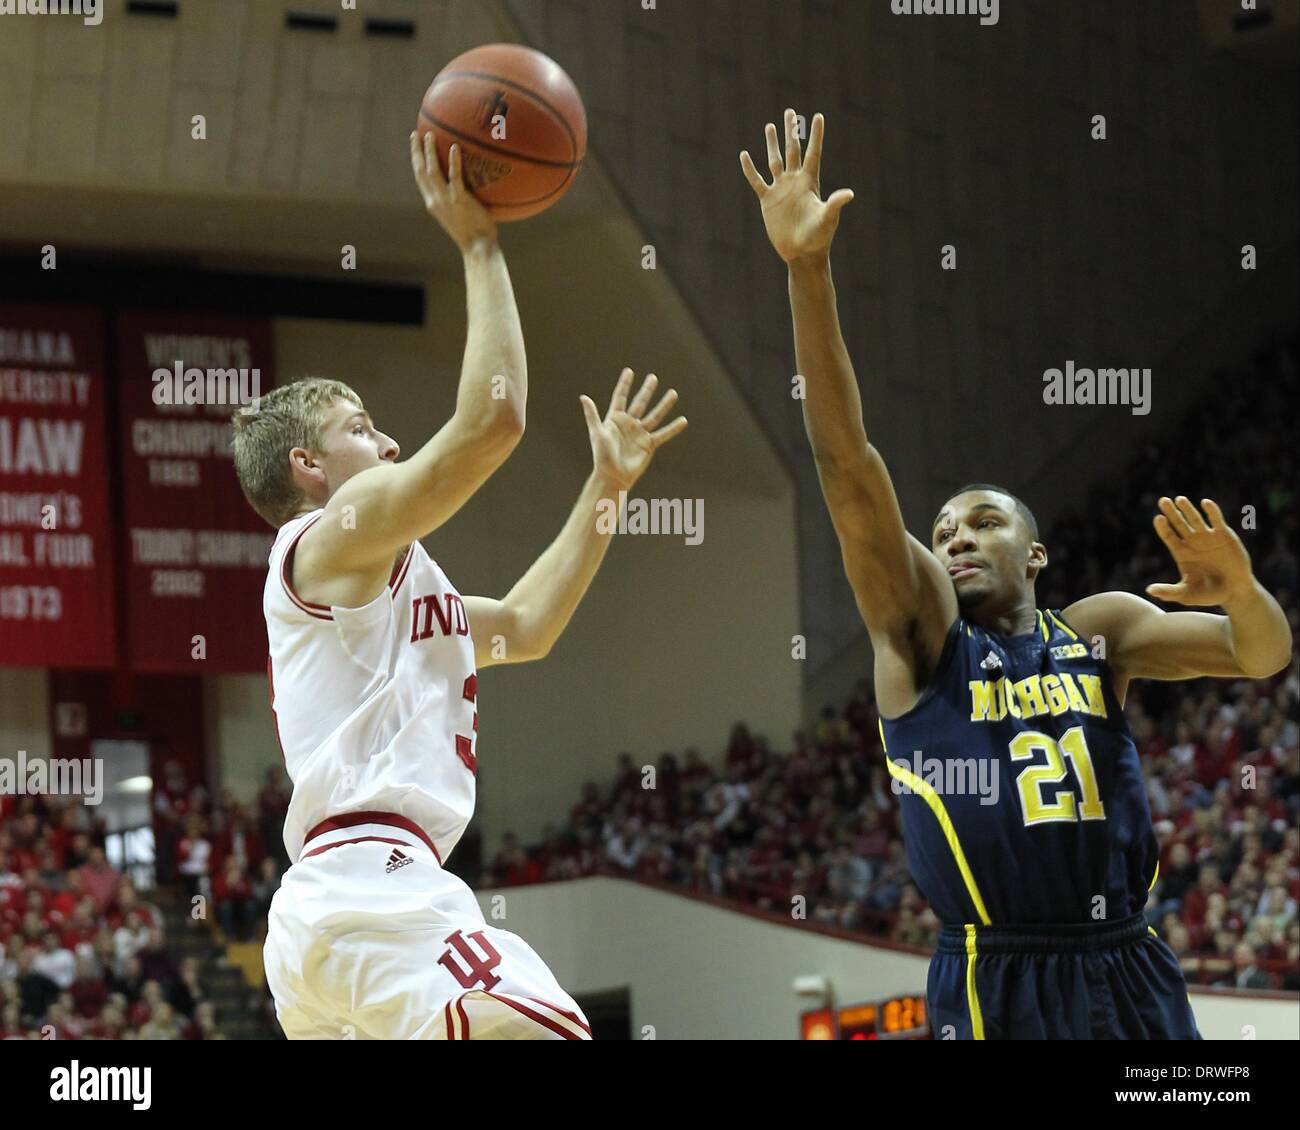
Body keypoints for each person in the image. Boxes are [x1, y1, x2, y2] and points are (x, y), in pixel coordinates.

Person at [740, 109, 1292, 1040]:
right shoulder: (919, 637)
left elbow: (1262, 656)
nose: (955, 537)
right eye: (945, 526)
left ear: (1034, 552)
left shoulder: (1100, 629)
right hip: (1000, 972)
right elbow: (846, 465)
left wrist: (1242, 592)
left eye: (984, 522)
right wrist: (807, 271)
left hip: (1133, 957)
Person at [238, 133, 686, 1041]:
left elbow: (526, 625)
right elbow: (493, 422)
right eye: (361, 430)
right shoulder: (322, 545)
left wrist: (605, 489)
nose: (389, 444)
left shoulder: (384, 588)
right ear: (308, 466)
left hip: (336, 914)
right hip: (375, 890)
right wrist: (481, 244)